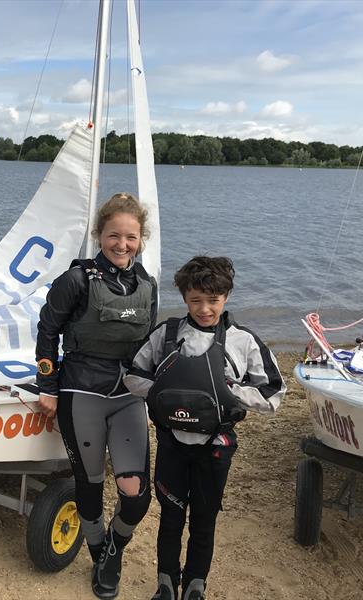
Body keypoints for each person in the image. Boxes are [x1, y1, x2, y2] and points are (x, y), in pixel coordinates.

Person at [124, 256, 285, 600]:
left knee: (203, 520)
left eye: (213, 300)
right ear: (185, 298)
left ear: (226, 296)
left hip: (215, 447)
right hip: (172, 444)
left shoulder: (243, 340)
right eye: (195, 300)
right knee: (170, 517)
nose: (204, 309)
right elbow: (132, 373)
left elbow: (274, 394)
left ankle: (195, 585)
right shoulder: (167, 334)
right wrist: (161, 390)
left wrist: (228, 392)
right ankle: (166, 584)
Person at [35, 192, 158, 599]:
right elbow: (47, 332)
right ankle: (97, 554)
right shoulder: (76, 280)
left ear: (141, 239)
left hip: (127, 396)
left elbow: (148, 348)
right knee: (89, 484)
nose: (122, 245)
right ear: (99, 235)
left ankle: (113, 548)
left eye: (131, 237)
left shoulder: (148, 285)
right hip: (79, 391)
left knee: (136, 494)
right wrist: (47, 388)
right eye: (113, 235)